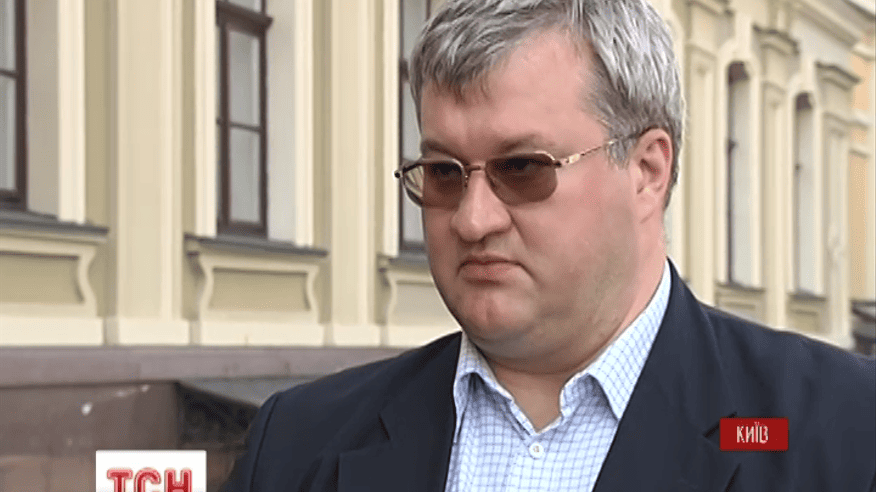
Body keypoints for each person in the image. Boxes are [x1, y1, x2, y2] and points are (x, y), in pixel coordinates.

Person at [223, 0, 876, 490]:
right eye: (445, 172)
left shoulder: (840, 428)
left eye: (522, 168)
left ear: (647, 170)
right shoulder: (298, 443)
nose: (473, 219)